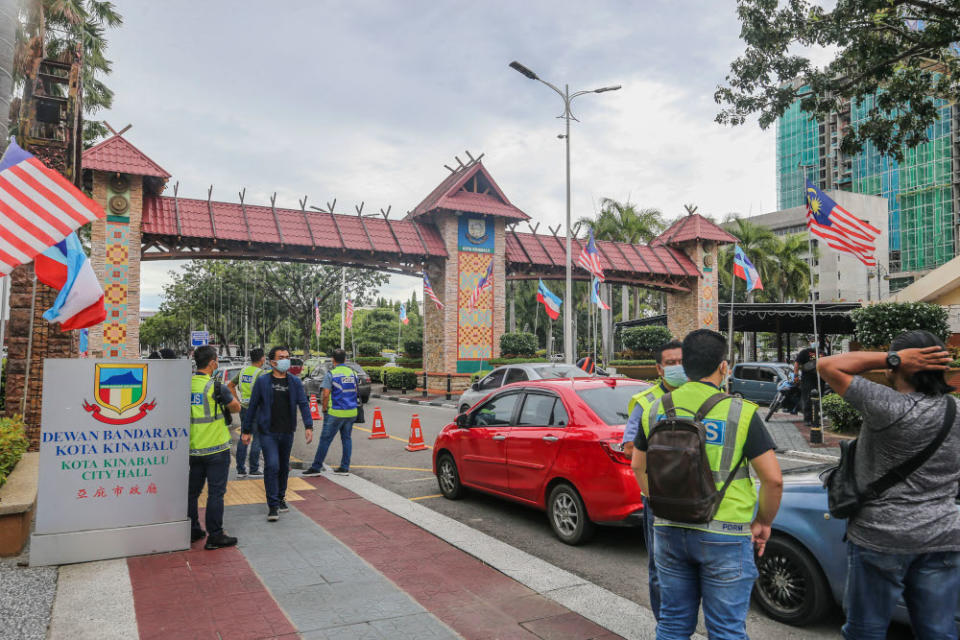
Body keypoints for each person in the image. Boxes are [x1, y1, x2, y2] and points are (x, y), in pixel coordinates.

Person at [631, 329, 782, 639]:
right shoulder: (740, 412)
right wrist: (763, 522)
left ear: (684, 367)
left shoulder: (655, 409)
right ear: (724, 366)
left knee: (672, 623)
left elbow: (637, 465)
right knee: (726, 629)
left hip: (669, 529)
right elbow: (773, 480)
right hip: (725, 533)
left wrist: (662, 502)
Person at [817, 330, 960, 639]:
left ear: (899, 366)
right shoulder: (956, 411)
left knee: (865, 631)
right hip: (944, 537)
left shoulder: (889, 407)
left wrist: (892, 357)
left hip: (881, 537)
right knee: (939, 632)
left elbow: (827, 366)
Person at [621, 339, 684, 621]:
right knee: (660, 567)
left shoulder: (704, 395)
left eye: (681, 361)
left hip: (702, 496)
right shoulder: (646, 402)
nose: (677, 368)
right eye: (671, 363)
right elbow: (629, 449)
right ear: (660, 369)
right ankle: (666, 625)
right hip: (658, 498)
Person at [241, 346, 313, 521]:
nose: (285, 360)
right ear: (272, 362)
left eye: (287, 357)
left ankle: (281, 497)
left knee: (283, 467)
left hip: (287, 432)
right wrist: (246, 430)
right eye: (281, 357)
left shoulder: (295, 382)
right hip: (268, 432)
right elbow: (253, 406)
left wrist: (309, 426)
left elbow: (303, 404)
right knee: (272, 466)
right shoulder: (263, 381)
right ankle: (272, 505)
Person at [188, 345, 241, 549]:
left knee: (193, 493)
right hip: (216, 448)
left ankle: (193, 530)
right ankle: (215, 535)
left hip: (193, 448)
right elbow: (235, 407)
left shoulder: (187, 384)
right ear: (212, 363)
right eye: (216, 360)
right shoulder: (215, 386)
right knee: (215, 493)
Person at [303, 349, 358, 476]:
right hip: (351, 412)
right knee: (347, 439)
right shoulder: (353, 373)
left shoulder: (331, 374)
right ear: (345, 359)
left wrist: (324, 408)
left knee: (325, 440)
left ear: (333, 360)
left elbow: (326, 394)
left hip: (335, 412)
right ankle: (344, 467)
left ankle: (316, 467)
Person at [228, 348, 267, 478]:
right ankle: (254, 468)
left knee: (244, 437)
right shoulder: (261, 373)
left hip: (244, 408)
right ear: (262, 359)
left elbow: (230, 385)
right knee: (257, 438)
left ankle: (240, 469)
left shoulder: (243, 370)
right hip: (257, 410)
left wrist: (237, 401)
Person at [794, 340, 824, 425]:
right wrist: (795, 376)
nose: (815, 342)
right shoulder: (804, 352)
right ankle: (807, 419)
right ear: (809, 343)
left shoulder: (822, 352)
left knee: (819, 399)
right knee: (808, 399)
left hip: (820, 380)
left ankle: (816, 418)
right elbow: (797, 363)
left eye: (816, 341)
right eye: (813, 341)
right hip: (807, 380)